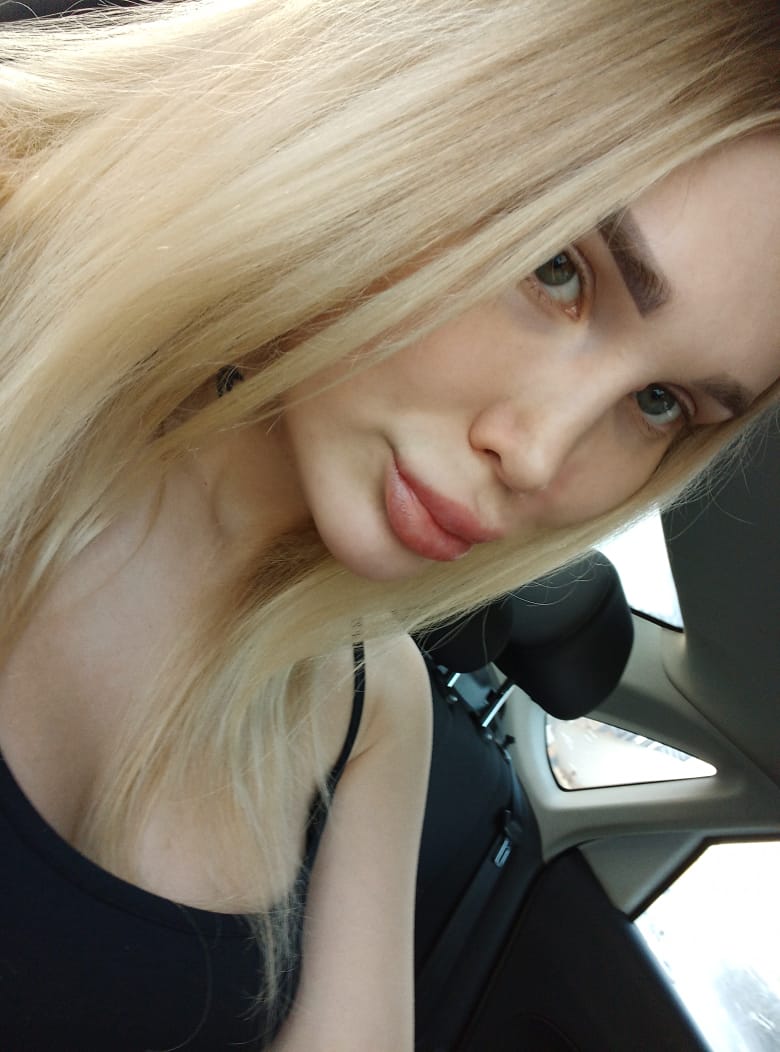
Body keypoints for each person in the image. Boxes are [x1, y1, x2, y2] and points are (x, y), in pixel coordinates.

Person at [0, 0, 777, 1048]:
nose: (543, 456)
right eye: (556, 267)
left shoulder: (374, 712)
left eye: (659, 403)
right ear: (406, 111)